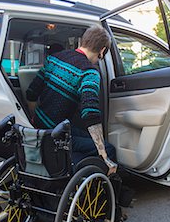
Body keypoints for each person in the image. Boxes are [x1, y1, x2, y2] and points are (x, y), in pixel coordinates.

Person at [26, 25, 118, 176]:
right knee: (108, 149)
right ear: (102, 50)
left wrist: (35, 121)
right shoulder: (89, 72)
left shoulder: (54, 58)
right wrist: (103, 154)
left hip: (41, 127)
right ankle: (105, 193)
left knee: (85, 135)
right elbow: (90, 114)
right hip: (59, 134)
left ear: (83, 41)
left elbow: (31, 93)